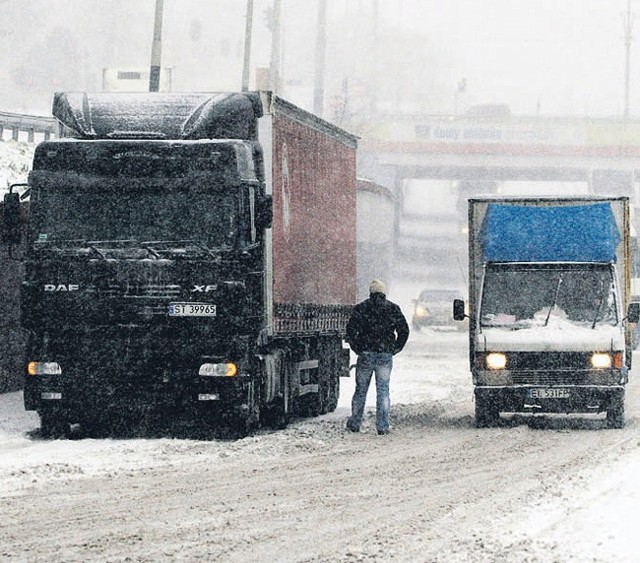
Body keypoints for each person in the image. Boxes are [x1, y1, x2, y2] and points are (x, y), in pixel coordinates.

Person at [345, 279, 410, 435]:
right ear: (384, 293)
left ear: (370, 292)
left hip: (366, 354)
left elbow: (350, 331)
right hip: (385, 355)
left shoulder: (361, 308)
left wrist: (358, 348)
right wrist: (395, 348)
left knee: (360, 390)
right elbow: (404, 330)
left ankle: (355, 422)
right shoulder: (393, 309)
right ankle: (383, 425)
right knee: (383, 391)